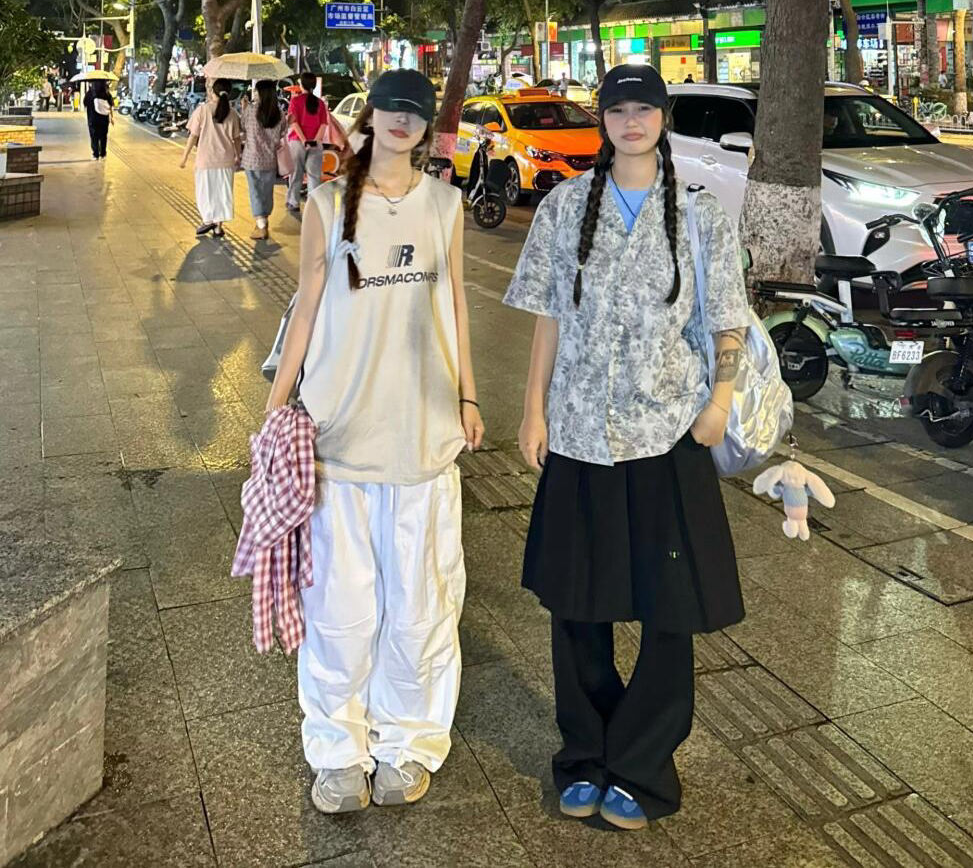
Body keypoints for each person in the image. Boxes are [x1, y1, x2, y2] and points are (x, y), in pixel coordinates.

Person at [503, 63, 750, 832]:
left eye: (645, 108)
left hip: (667, 434)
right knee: (577, 604)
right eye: (619, 109)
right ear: (603, 119)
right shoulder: (564, 205)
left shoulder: (699, 212)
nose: (632, 121)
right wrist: (533, 410)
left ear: (663, 117)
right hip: (580, 431)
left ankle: (642, 764)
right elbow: (548, 316)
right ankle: (585, 753)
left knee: (669, 608)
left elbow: (728, 318)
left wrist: (719, 403)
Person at [265, 68, 484, 817]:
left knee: (421, 605)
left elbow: (455, 303)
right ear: (368, 118)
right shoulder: (328, 203)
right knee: (339, 610)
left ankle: (409, 743)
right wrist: (274, 408)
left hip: (424, 435)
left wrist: (469, 395)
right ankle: (337, 752)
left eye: (414, 112)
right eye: (389, 107)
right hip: (338, 436)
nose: (400, 120)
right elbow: (305, 310)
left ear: (427, 127)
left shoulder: (445, 206)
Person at [179, 78, 242, 238]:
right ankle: (218, 227)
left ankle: (208, 220)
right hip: (226, 160)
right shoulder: (233, 113)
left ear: (212, 91)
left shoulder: (202, 110)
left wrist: (184, 157)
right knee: (222, 193)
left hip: (205, 160)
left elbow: (193, 136)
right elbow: (236, 138)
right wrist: (238, 156)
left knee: (205, 192)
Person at [241, 79, 287, 240]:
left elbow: (243, 127)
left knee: (255, 191)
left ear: (261, 93)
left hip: (252, 158)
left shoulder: (250, 110)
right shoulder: (279, 113)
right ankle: (263, 220)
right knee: (267, 191)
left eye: (256, 91)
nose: (254, 94)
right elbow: (283, 132)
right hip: (270, 159)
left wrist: (244, 108)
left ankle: (261, 226)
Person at [287, 71, 331, 214]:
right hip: (315, 144)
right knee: (314, 176)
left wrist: (304, 140)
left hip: (297, 142)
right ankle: (313, 205)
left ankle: (293, 202)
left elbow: (293, 123)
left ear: (302, 84)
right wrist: (315, 140)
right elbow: (323, 124)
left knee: (296, 174)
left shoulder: (295, 101)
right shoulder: (320, 103)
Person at [83, 79, 115, 158]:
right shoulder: (106, 93)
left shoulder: (90, 93)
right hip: (104, 119)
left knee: (94, 136)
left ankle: (95, 153)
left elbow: (85, 103)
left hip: (92, 119)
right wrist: (112, 117)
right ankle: (103, 153)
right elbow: (111, 105)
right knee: (103, 136)